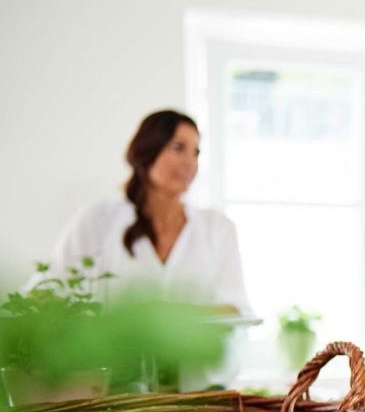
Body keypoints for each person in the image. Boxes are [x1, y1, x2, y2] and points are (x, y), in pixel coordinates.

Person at [41, 110, 252, 316]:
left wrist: (173, 313)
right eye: (178, 148)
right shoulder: (97, 219)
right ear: (147, 152)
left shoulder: (217, 227)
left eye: (196, 153)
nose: (190, 163)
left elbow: (236, 307)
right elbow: (47, 290)